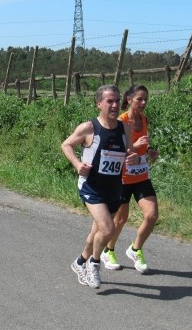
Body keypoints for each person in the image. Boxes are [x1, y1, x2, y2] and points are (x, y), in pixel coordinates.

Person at [61, 85, 138, 288]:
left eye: (116, 100)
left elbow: (129, 154)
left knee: (96, 233)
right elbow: (66, 145)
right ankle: (94, 265)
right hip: (91, 186)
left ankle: (79, 263)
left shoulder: (125, 128)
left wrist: (135, 158)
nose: (114, 105)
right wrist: (78, 164)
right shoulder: (89, 128)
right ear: (99, 104)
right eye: (109, 101)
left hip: (113, 188)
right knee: (108, 228)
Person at [101, 85, 159, 274]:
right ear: (129, 100)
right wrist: (133, 148)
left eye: (145, 100)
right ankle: (108, 251)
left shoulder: (144, 119)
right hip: (123, 177)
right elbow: (114, 151)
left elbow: (143, 146)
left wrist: (150, 152)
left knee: (151, 215)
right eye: (139, 99)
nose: (143, 103)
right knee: (120, 219)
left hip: (141, 174)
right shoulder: (120, 122)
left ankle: (135, 249)